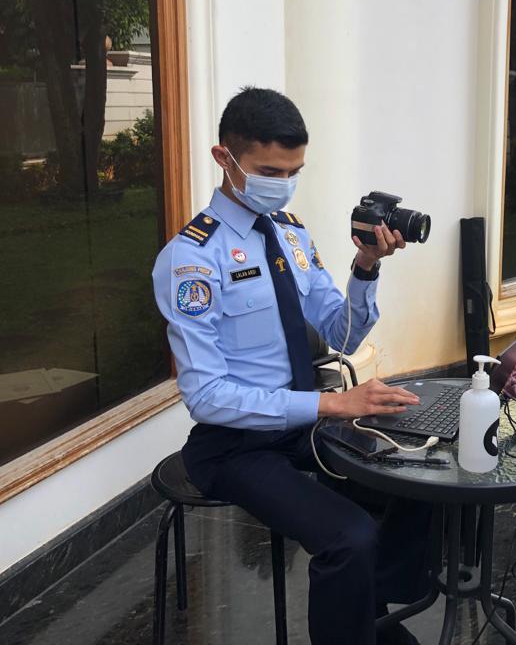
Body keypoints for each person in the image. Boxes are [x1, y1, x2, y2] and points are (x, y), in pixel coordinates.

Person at [152, 87, 430, 645]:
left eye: (294, 171)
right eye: (269, 171)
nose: (282, 183)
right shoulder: (192, 259)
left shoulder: (288, 231)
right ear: (224, 158)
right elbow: (205, 396)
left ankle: (370, 620)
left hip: (302, 426)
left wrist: (366, 265)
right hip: (234, 445)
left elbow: (341, 333)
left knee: (418, 477)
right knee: (348, 537)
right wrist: (331, 403)